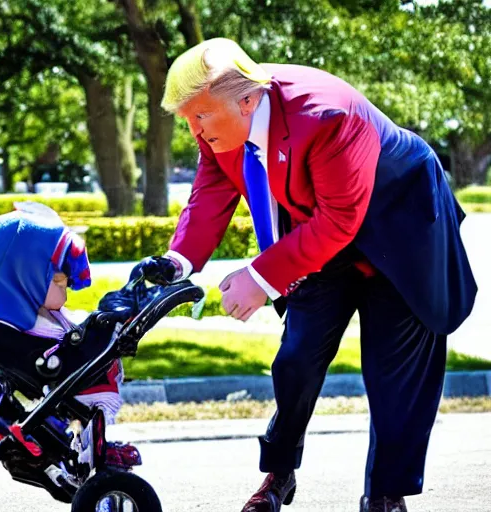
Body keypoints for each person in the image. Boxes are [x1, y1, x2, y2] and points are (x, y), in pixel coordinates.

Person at [131, 38, 477, 512]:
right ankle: (279, 475)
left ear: (247, 100)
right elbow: (211, 190)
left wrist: (259, 277)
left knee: (393, 377)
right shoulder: (219, 122)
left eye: (200, 117)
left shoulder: (327, 115)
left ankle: (385, 496)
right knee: (295, 358)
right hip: (322, 237)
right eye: (187, 119)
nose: (193, 130)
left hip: (402, 230)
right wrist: (179, 260)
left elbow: (341, 219)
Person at [0, 203, 128, 464]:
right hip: (61, 372)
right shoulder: (21, 326)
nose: (66, 291)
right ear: (27, 277)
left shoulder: (22, 314)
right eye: (59, 282)